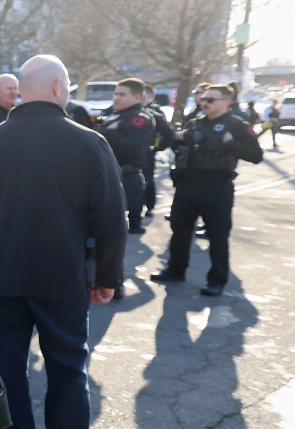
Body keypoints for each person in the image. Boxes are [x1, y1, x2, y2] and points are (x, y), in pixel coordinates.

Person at [0, 55, 126, 429]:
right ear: (60, 88)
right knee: (67, 363)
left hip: (0, 273)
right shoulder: (89, 143)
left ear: (22, 91)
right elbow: (112, 221)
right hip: (62, 275)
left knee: (7, 362)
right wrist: (107, 280)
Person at [149, 84, 265, 297]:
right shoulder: (194, 123)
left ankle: (217, 280)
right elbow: (179, 147)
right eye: (204, 99)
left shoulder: (237, 126)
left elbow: (256, 156)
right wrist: (179, 139)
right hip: (188, 185)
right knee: (180, 230)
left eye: (211, 100)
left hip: (216, 186)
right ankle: (175, 270)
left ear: (226, 101)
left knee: (217, 235)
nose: (205, 103)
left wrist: (231, 143)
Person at [96, 78, 158, 240]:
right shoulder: (115, 116)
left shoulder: (139, 118)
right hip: (106, 175)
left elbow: (136, 149)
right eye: (116, 93)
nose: (116, 98)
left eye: (122, 94)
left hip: (125, 176)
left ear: (137, 97)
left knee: (110, 232)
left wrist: (112, 133)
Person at [141, 84, 176, 217]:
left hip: (149, 150)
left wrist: (158, 148)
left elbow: (168, 134)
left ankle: (150, 206)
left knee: (148, 180)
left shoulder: (156, 112)